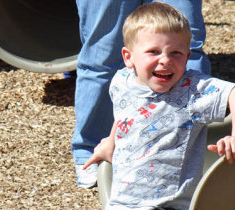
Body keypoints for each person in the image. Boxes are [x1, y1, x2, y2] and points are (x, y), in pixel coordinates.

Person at [43, 2, 235, 210]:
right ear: (128, 57)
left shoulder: (192, 90)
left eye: (176, 53)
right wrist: (111, 141)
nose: (165, 60)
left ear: (187, 57)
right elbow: (124, 114)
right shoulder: (122, 82)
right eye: (153, 51)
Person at [72, 0, 211, 188]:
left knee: (187, 48)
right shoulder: (122, 82)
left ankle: (188, 147)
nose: (163, 61)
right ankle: (90, 151)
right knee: (102, 56)